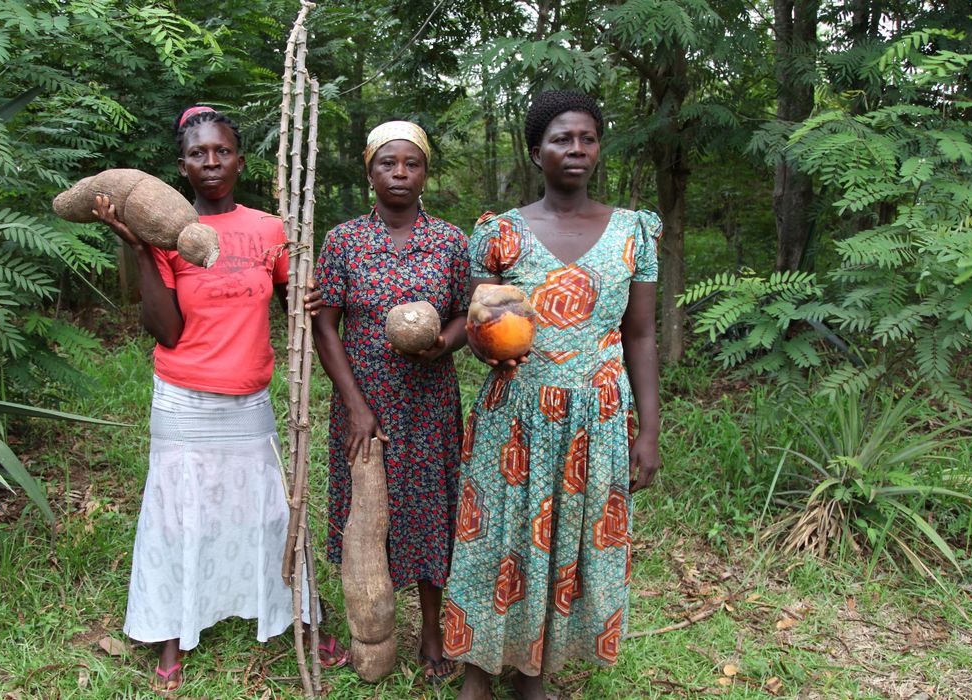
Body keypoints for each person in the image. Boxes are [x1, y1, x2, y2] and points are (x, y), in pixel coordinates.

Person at [95, 106, 345, 691]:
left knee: (268, 513)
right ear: (182, 167)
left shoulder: (267, 229)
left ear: (239, 158)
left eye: (222, 151)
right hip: (183, 400)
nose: (211, 162)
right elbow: (167, 331)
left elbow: (295, 299)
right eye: (198, 154)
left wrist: (308, 294)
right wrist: (137, 249)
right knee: (178, 517)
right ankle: (171, 636)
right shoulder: (165, 235)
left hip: (249, 399)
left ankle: (298, 620)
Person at [443, 90, 663, 700]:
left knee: (568, 541)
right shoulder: (501, 234)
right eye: (561, 139)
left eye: (586, 138)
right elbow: (481, 322)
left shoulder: (633, 233)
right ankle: (477, 671)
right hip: (515, 412)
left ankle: (534, 673)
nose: (575, 149)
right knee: (497, 540)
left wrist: (648, 430)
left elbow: (640, 336)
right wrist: (488, 346)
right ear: (536, 150)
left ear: (598, 148)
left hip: (597, 415)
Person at [312, 121, 469, 682]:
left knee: (430, 513)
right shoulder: (344, 240)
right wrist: (355, 404)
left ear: (426, 172)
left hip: (428, 401)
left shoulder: (450, 241)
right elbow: (325, 326)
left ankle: (432, 634)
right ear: (370, 170)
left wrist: (442, 344)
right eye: (388, 163)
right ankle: (374, 630)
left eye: (412, 163)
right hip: (363, 400)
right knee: (368, 515)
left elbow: (467, 317)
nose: (400, 173)